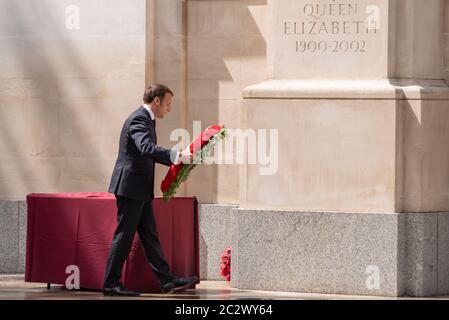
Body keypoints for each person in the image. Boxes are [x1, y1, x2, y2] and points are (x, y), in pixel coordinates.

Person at [103, 84, 197, 296]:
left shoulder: (146, 119)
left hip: (139, 189)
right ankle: (110, 284)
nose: (168, 109)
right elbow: (146, 148)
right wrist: (177, 156)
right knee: (124, 236)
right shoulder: (139, 119)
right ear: (157, 101)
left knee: (150, 236)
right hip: (130, 188)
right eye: (168, 104)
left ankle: (167, 281)